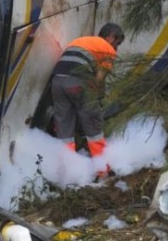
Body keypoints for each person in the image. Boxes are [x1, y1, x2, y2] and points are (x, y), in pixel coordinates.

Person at [49, 22, 124, 175]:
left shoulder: (81, 41)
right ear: (110, 37)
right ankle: (102, 170)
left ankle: (67, 172)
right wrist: (99, 97)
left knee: (64, 130)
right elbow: (99, 78)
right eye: (118, 43)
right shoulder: (107, 49)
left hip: (57, 82)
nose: (116, 48)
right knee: (93, 127)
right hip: (78, 82)